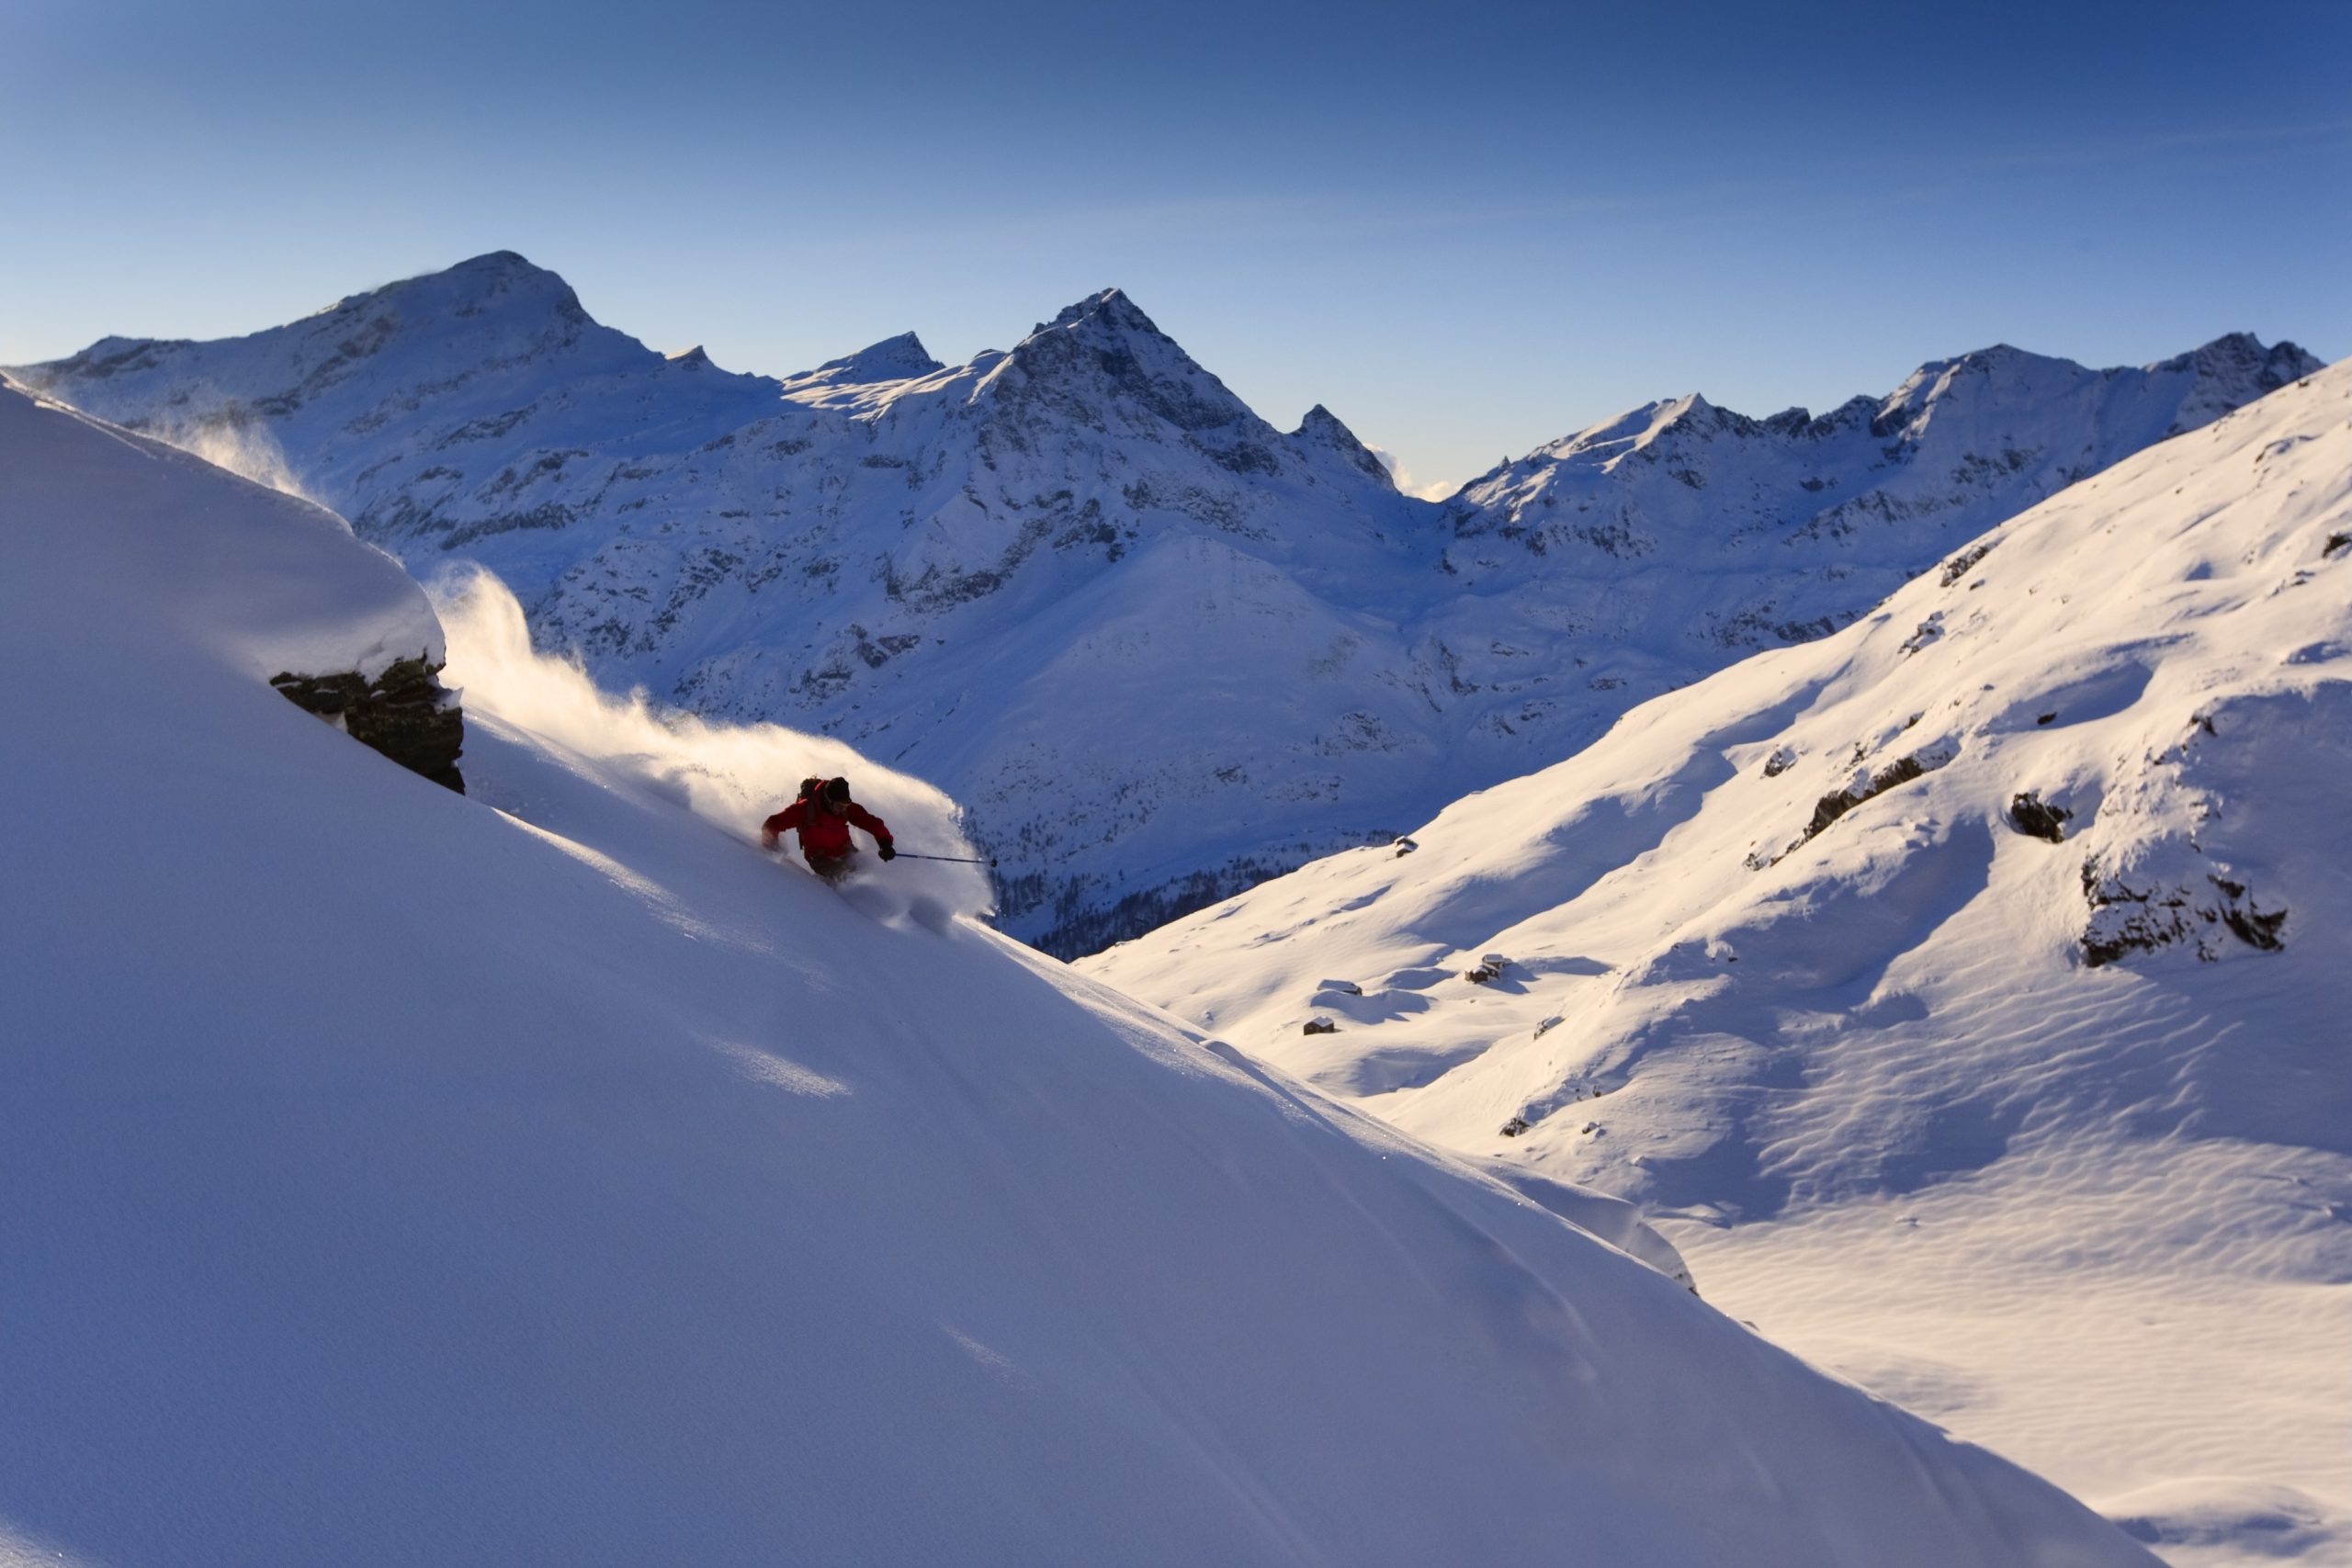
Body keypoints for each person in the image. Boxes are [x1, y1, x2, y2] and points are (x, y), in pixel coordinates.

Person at [762, 776, 895, 879]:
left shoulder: (846, 808)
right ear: (828, 800)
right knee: (844, 879)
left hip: (846, 851)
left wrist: (885, 844)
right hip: (821, 858)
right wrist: (772, 848)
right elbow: (772, 824)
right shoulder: (805, 809)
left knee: (867, 873)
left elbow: (873, 823)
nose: (842, 809)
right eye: (839, 806)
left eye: (845, 805)